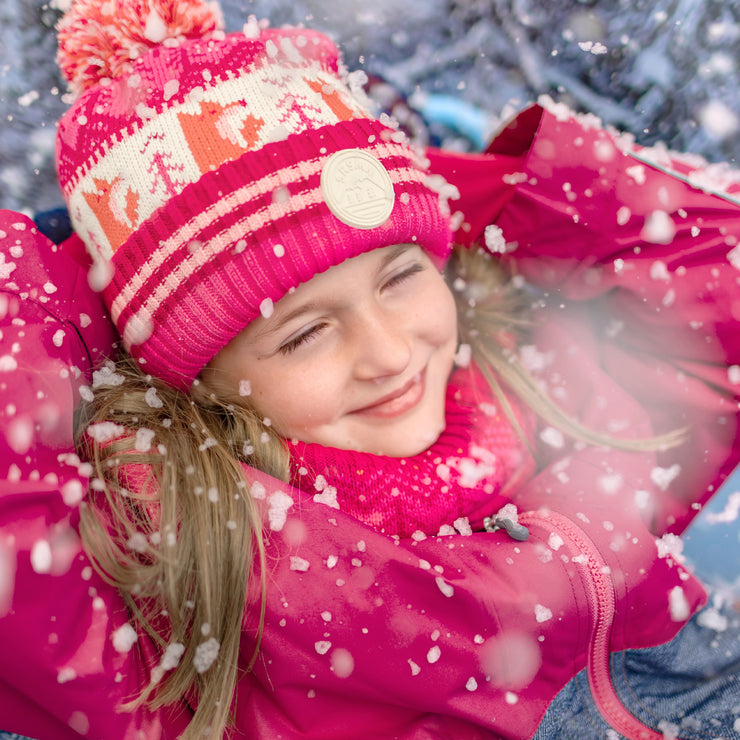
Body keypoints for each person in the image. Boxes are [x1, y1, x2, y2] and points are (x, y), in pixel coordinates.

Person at [1, 0, 739, 738]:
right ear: (194, 381)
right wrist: (75, 298)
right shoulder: (187, 586)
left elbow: (715, 265)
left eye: (399, 278)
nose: (389, 353)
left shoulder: (559, 407)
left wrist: (417, 181)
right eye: (306, 334)